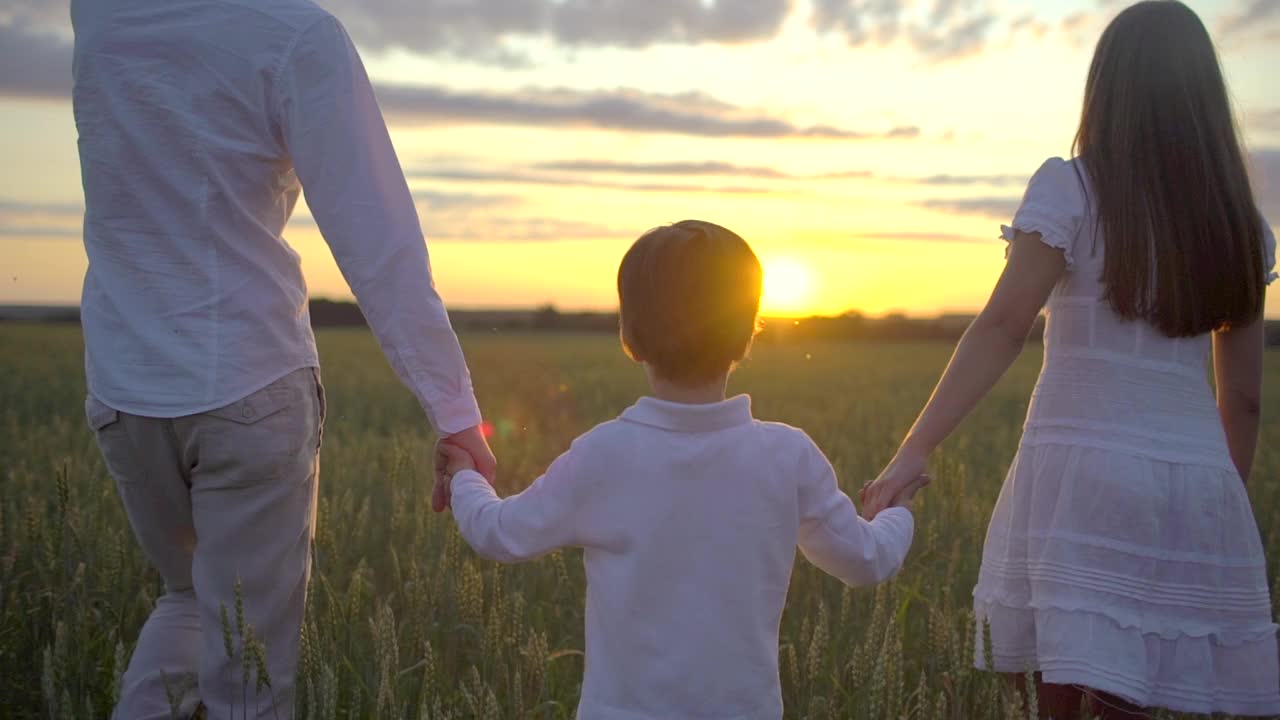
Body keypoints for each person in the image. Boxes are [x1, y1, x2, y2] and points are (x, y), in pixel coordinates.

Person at [70, 1, 495, 717]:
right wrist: (456, 414)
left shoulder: (102, 16)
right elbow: (379, 242)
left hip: (125, 391)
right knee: (252, 678)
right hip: (249, 386)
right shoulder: (296, 34)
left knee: (188, 602)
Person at [860, 2, 1280, 717]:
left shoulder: (1072, 189)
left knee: (1056, 674)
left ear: (1107, 90)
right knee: (1133, 693)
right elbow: (1242, 399)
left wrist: (915, 448)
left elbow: (1001, 325)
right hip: (1194, 479)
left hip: (1081, 470)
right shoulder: (1240, 227)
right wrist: (1216, 500)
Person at [435, 220, 927, 719]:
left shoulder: (604, 454)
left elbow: (499, 533)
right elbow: (867, 562)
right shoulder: (788, 456)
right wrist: (897, 511)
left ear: (630, 333)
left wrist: (463, 473)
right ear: (748, 331)